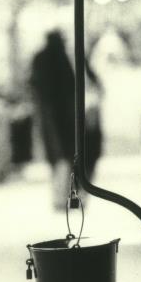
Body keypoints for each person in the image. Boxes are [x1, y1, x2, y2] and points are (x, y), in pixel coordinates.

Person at [29, 30, 102, 207]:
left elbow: (34, 85)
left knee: (60, 158)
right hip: (68, 116)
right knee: (70, 157)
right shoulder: (64, 57)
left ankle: (63, 199)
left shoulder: (42, 58)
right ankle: (69, 199)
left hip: (53, 115)